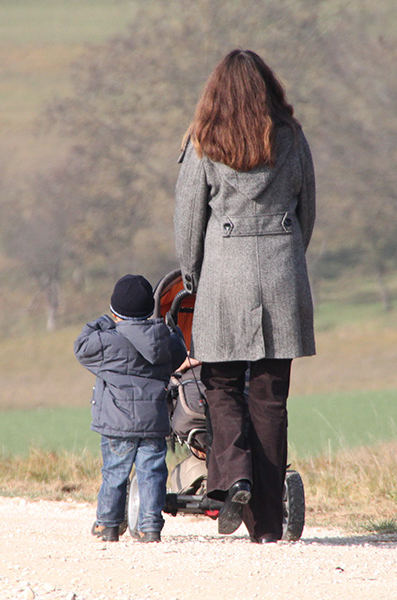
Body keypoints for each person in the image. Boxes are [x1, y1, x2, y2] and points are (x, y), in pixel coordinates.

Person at [173, 49, 316, 543]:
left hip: (224, 276)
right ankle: (268, 526)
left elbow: (190, 221)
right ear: (268, 89)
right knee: (271, 399)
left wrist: (194, 278)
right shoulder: (292, 139)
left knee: (221, 385)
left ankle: (233, 477)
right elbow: (308, 210)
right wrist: (289, 260)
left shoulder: (203, 143)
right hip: (282, 272)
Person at [74, 274, 188, 543]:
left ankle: (108, 525)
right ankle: (150, 527)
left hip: (117, 422)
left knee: (115, 473)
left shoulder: (107, 340)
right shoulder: (162, 340)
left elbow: (81, 347)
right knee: (152, 473)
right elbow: (180, 353)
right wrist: (172, 330)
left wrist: (103, 321)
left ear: (115, 312)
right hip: (153, 421)